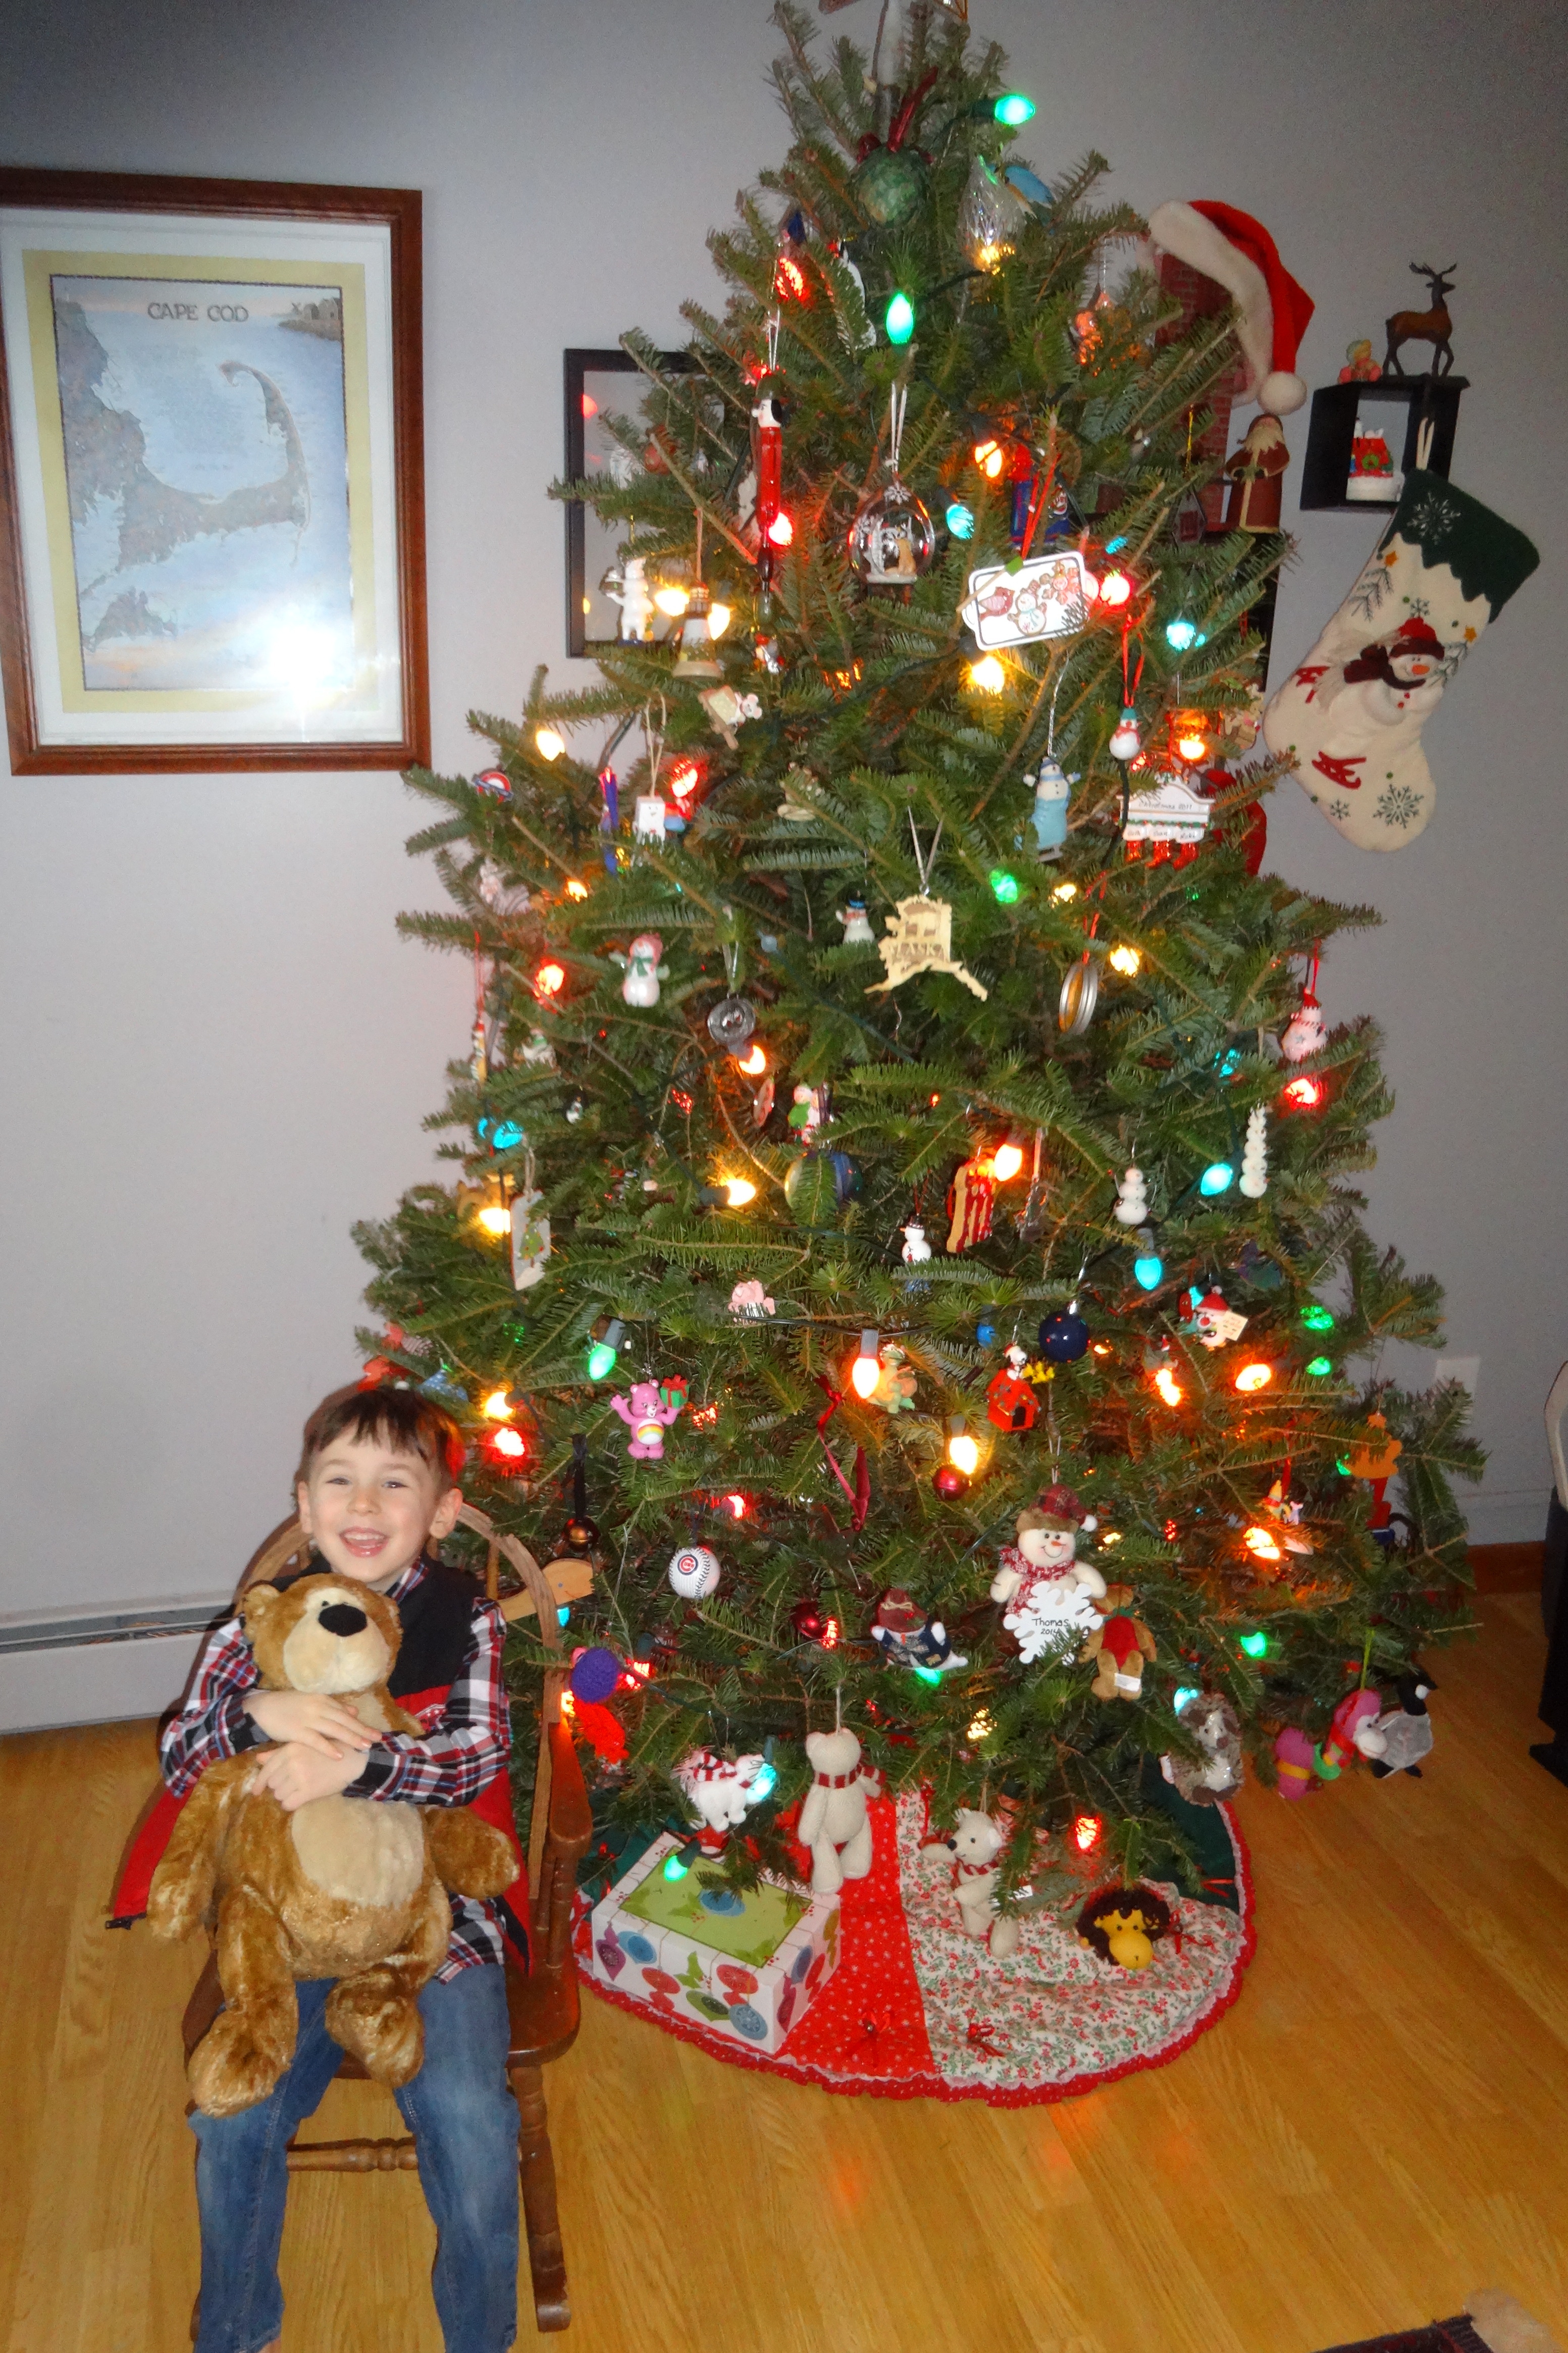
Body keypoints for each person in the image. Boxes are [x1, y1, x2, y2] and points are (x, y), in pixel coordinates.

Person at [159, 1384, 521, 2353]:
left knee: (471, 2121)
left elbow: (479, 1755)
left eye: (395, 1483)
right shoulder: (259, 1623)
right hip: (286, 1933)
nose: (364, 1505)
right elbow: (180, 1758)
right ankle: (236, 2332)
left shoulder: (466, 1616)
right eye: (340, 1481)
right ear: (305, 1504)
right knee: (233, 2123)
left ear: (441, 1511)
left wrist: (362, 1764)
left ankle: (479, 2339)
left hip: (431, 1926)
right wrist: (257, 1715)